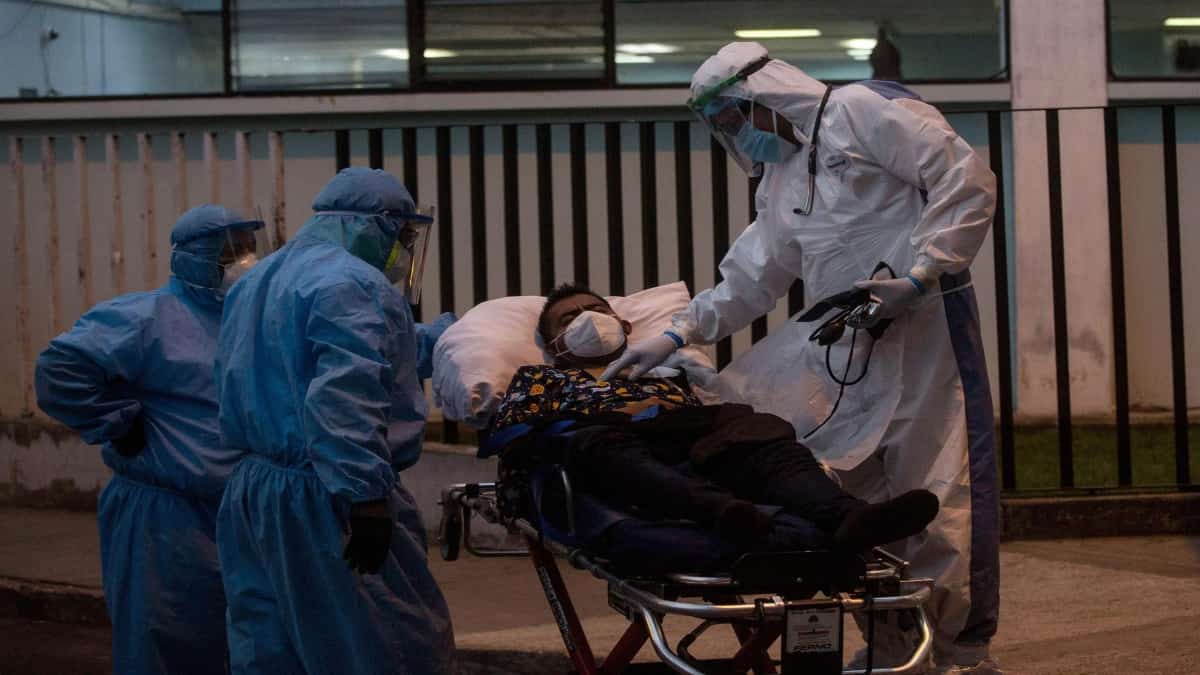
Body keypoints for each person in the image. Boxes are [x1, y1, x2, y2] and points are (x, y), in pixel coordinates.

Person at [602, 42, 1000, 674]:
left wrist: (923, 275)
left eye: (732, 117)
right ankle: (895, 648)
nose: (735, 134)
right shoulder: (783, 178)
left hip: (927, 335)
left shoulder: (862, 111)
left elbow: (964, 178)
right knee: (855, 494)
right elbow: (752, 275)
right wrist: (678, 334)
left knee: (940, 486)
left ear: (764, 95)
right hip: (848, 343)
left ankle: (958, 655)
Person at [489, 283, 939, 555]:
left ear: (624, 327)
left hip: (690, 444)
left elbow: (710, 413)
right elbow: (516, 431)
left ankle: (851, 517)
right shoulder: (541, 379)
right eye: (569, 318)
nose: (588, 319)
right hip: (612, 449)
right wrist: (607, 416)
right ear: (553, 343)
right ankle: (722, 512)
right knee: (595, 445)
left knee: (759, 431)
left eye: (599, 311)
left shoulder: (665, 370)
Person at [214, 167, 454, 674]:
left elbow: (294, 365)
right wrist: (365, 493)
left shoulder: (258, 279)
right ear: (374, 224)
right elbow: (345, 392)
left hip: (254, 490)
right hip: (328, 493)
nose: (402, 251)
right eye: (402, 236)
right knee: (384, 645)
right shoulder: (354, 283)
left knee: (272, 649)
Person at [35, 204, 266, 674]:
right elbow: (59, 370)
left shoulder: (246, 319)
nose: (244, 260)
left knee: (235, 644)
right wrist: (117, 421)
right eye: (229, 251)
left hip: (233, 511)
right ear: (192, 257)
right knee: (163, 639)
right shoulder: (144, 317)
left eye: (248, 248)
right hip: (163, 516)